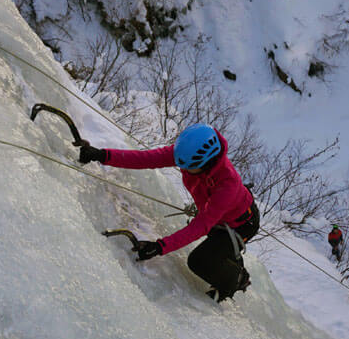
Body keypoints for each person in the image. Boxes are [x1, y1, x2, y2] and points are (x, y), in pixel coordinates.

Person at [79, 123, 259, 302]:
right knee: (213, 250)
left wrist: (160, 247)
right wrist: (103, 155)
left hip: (241, 225)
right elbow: (147, 159)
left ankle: (235, 280)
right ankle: (227, 260)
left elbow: (201, 225)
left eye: (188, 167)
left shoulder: (227, 185)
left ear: (204, 164)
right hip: (219, 213)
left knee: (198, 261)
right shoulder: (190, 152)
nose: (183, 170)